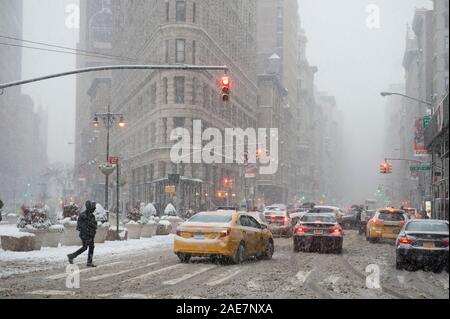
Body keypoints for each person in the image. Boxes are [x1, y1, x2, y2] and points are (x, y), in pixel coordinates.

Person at [67, 200, 98, 267]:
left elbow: (94, 224)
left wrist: (93, 230)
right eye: (92, 207)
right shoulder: (84, 215)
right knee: (85, 247)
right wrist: (87, 232)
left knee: (90, 247)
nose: (93, 209)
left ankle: (88, 261)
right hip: (86, 234)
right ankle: (72, 256)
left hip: (90, 234)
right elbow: (81, 226)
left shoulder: (91, 215)